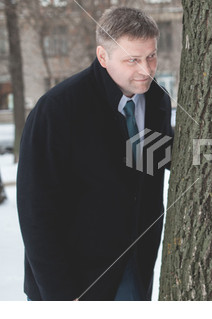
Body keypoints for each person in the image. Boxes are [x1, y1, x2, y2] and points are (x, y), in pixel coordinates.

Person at [17, 7, 173, 301]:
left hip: (136, 265)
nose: (146, 69)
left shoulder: (157, 101)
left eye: (151, 56)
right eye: (132, 60)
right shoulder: (57, 109)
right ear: (103, 57)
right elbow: (35, 210)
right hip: (73, 277)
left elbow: (157, 155)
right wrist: (59, 296)